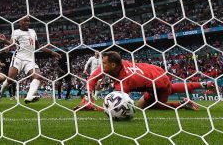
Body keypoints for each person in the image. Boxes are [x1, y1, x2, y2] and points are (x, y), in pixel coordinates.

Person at [74, 51, 215, 111]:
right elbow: (92, 79)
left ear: (113, 65)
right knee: (169, 89)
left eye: (104, 64)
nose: (101, 66)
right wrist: (88, 98)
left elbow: (116, 107)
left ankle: (182, 104)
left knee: (149, 106)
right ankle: (205, 83)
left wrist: (93, 107)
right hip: (153, 70)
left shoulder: (125, 81)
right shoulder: (114, 65)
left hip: (159, 84)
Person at [0, 16, 61, 103]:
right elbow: (11, 44)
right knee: (10, 80)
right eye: (25, 21)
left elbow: (38, 46)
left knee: (38, 76)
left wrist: (51, 52)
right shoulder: (16, 32)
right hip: (18, 58)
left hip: (30, 60)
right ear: (20, 22)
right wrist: (4, 40)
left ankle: (29, 96)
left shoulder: (33, 32)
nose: (27, 23)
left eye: (28, 21)